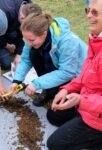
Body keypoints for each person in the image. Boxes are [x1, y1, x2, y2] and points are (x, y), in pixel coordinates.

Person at [46, 0, 102, 149]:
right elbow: (86, 76)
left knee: (54, 144)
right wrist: (67, 89)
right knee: (53, 114)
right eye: (87, 10)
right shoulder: (96, 40)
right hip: (89, 103)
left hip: (98, 117)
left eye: (95, 12)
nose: (89, 15)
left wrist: (80, 100)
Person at [10, 12, 87, 107]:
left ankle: (58, 89)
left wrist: (36, 84)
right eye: (26, 40)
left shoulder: (68, 41)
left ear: (44, 34)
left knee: (57, 115)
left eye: (31, 40)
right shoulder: (31, 37)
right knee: (33, 53)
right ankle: (49, 89)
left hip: (77, 74)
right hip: (59, 67)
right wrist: (17, 80)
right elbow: (26, 59)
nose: (28, 43)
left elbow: (67, 72)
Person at [0, 1, 43, 71]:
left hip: (8, 30)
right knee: (6, 63)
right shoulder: (4, 12)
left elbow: (22, 33)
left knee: (26, 51)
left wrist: (19, 54)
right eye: (27, 26)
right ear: (22, 17)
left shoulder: (28, 7)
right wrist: (6, 45)